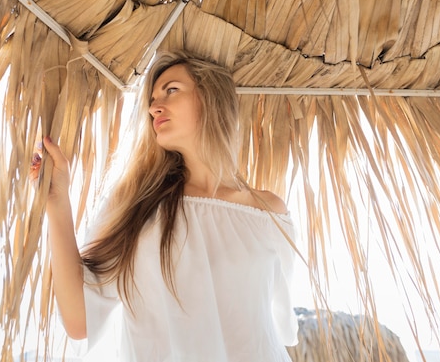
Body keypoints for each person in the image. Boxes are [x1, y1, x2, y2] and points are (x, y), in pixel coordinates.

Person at [30, 51, 299, 361]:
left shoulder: (269, 212)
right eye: (153, 97)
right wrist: (57, 201)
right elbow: (79, 319)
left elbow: (274, 328)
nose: (154, 106)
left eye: (172, 90)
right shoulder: (137, 204)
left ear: (211, 97)